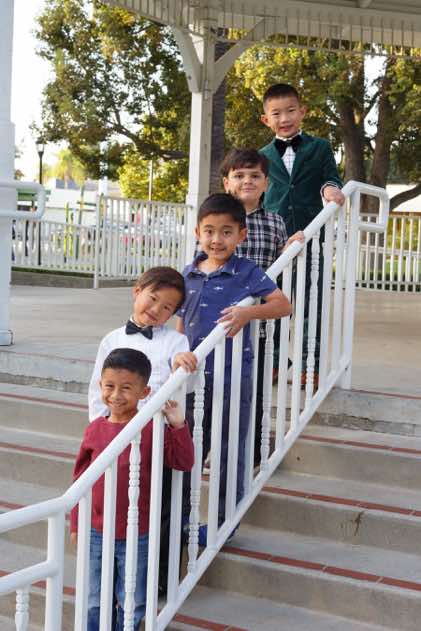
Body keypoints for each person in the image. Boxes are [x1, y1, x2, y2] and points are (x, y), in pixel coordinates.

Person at [174, 193, 292, 544]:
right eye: (209, 231)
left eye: (226, 232)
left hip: (232, 377)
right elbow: (180, 325)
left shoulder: (246, 272)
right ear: (197, 232)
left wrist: (247, 312)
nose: (217, 239)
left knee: (229, 450)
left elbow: (282, 305)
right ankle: (180, 520)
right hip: (193, 381)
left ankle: (224, 523)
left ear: (241, 235)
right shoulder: (188, 273)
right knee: (187, 449)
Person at [70, 348, 194, 631]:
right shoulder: (94, 430)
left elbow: (183, 461)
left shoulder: (149, 427)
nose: (116, 395)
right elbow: (80, 481)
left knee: (133, 599)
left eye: (126, 388)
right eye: (109, 386)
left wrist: (177, 423)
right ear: (100, 386)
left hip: (137, 533)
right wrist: (77, 523)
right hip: (96, 531)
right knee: (93, 598)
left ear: (144, 392)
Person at [88, 266, 189, 597]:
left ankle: (157, 576)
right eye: (153, 298)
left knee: (159, 507)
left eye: (167, 307)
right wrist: (100, 431)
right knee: (116, 504)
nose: (156, 309)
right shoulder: (112, 339)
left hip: (154, 439)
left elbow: (184, 383)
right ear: (137, 291)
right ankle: (113, 571)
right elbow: (97, 391)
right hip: (116, 437)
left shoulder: (176, 341)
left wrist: (183, 364)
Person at [221, 148, 304, 465]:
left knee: (254, 389)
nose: (247, 181)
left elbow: (278, 263)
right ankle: (218, 445)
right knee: (222, 388)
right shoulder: (219, 219)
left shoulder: (274, 221)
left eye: (255, 176)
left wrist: (288, 248)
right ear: (227, 182)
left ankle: (253, 449)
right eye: (239, 175)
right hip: (225, 318)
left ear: (266, 183)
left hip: (261, 323)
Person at [259, 83, 345, 387]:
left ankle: (311, 364)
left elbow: (330, 177)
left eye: (291, 111)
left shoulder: (319, 147)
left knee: (311, 304)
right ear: (266, 119)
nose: (284, 118)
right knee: (274, 301)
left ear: (302, 112)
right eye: (276, 113)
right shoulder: (262, 156)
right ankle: (275, 360)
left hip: (311, 238)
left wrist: (330, 189)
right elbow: (258, 195)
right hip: (277, 241)